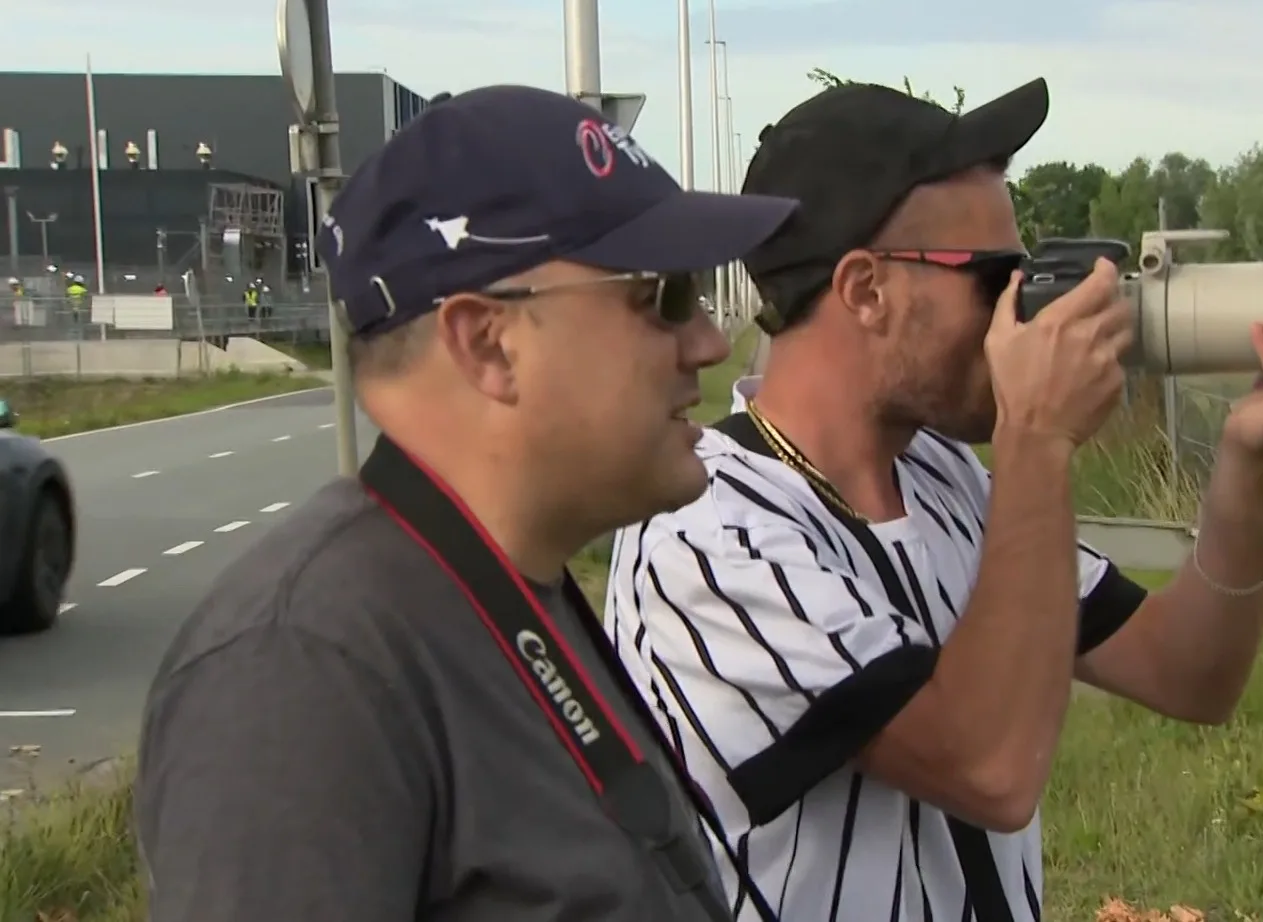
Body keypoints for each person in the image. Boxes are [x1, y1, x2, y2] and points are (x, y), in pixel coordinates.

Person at [602, 78, 1263, 921]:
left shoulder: (944, 478)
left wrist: (1248, 452)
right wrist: (1037, 439)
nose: (1019, 311)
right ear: (865, 289)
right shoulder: (709, 540)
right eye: (995, 279)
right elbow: (988, 765)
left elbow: (1191, 673)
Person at [135, 84, 797, 922]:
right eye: (662, 296)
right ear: (489, 344)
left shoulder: (510, 588)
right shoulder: (304, 671)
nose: (707, 340)